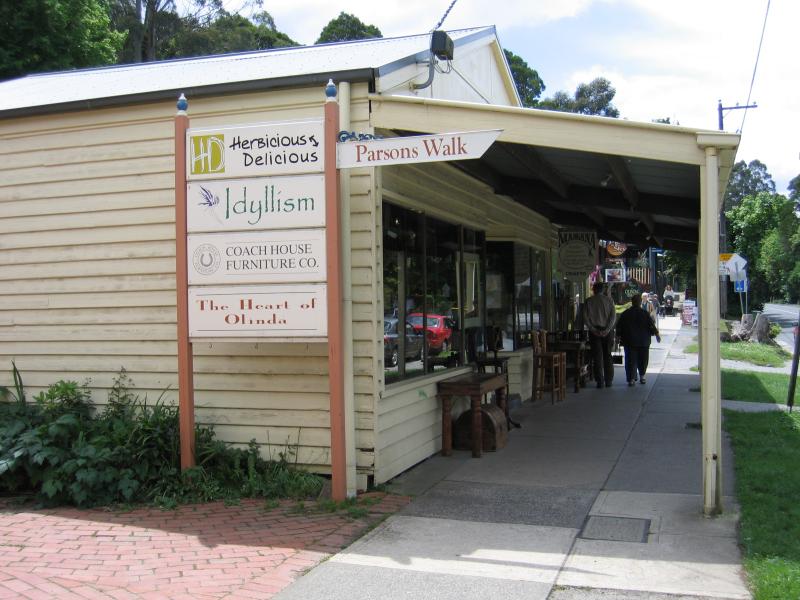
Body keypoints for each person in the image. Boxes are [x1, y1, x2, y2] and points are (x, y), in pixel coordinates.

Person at [616, 294, 661, 386]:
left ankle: (631, 379)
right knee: (643, 359)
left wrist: (617, 338)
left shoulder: (625, 314)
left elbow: (619, 327)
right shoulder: (645, 313)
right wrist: (657, 334)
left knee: (630, 360)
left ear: (632, 302)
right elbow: (651, 325)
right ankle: (642, 376)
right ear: (640, 302)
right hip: (643, 341)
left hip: (629, 341)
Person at [582, 281, 617, 388]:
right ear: (602, 290)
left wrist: (593, 329)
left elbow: (585, 318)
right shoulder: (609, 300)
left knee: (597, 356)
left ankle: (600, 381)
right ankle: (609, 380)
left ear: (594, 290)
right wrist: (607, 329)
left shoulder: (588, 301)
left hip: (594, 331)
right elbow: (613, 317)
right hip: (607, 331)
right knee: (607, 355)